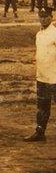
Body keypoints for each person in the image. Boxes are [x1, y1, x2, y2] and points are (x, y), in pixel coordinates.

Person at [25, 8, 56, 142]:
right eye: (41, 16)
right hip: (42, 76)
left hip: (54, 77)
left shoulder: (55, 33)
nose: (43, 19)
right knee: (42, 105)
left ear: (51, 17)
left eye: (46, 17)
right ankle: (40, 132)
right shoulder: (39, 34)